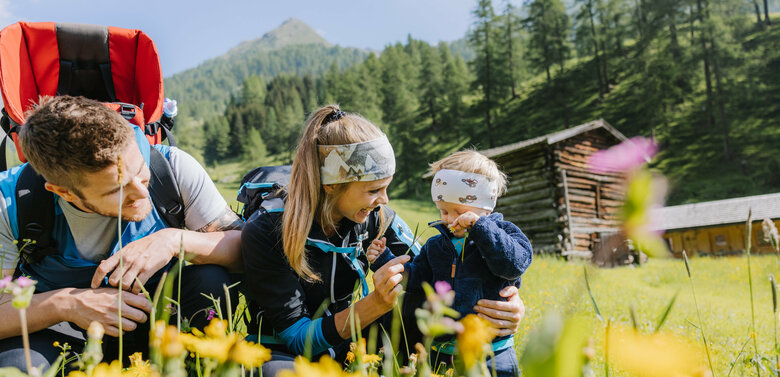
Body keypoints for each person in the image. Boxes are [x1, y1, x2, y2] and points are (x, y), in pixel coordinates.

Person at [241, 105, 526, 377]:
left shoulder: (376, 218)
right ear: (331, 185)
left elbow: (437, 272)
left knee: (416, 300)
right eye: (374, 189)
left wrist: (509, 305)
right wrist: (374, 304)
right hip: (283, 349)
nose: (384, 200)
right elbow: (295, 336)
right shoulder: (269, 229)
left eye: (386, 187)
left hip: (350, 343)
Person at [0, 96, 243, 371]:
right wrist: (65, 304)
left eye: (140, 171)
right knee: (19, 366)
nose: (141, 194)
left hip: (159, 319)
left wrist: (174, 239)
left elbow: (247, 251)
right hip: (63, 333)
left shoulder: (171, 168)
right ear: (63, 192)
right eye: (118, 189)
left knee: (210, 280)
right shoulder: (10, 203)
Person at [367, 150, 533, 377]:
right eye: (443, 210)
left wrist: (481, 229)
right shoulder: (436, 245)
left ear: (485, 207)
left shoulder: (504, 234)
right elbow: (416, 278)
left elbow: (514, 264)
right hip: (442, 350)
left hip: (493, 351)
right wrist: (384, 261)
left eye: (457, 211)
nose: (447, 218)